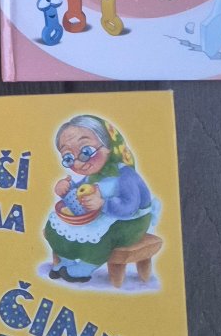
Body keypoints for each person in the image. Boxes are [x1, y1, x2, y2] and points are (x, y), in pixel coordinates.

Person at [44, 115, 159, 284]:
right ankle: (66, 260)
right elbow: (79, 194)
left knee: (103, 235)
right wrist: (66, 190)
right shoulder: (92, 176)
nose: (78, 163)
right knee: (55, 224)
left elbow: (130, 207)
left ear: (108, 147)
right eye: (68, 158)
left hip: (130, 221)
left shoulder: (125, 175)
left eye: (86, 152)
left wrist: (103, 204)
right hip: (103, 215)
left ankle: (86, 266)